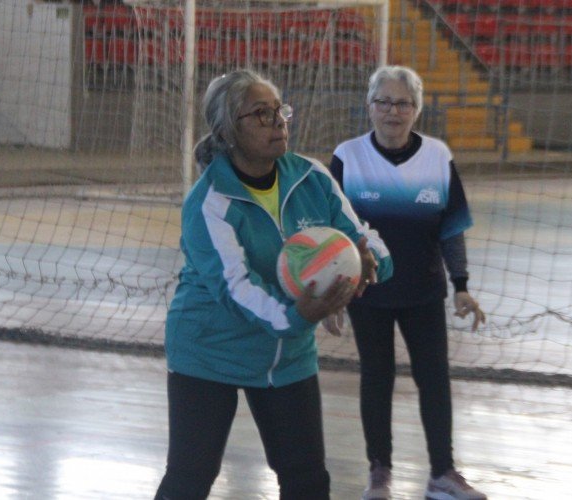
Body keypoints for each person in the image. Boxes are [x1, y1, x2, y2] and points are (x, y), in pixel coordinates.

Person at [154, 69, 393, 500]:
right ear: (228, 131)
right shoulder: (209, 202)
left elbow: (359, 233)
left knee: (306, 480)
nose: (278, 121)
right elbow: (236, 288)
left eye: (279, 110)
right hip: (210, 351)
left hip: (287, 356)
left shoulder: (311, 176)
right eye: (260, 114)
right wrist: (298, 315)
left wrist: (373, 259)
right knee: (190, 478)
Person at [328, 65, 488, 500]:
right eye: (384, 102)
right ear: (369, 107)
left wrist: (462, 285)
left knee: (433, 377)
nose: (392, 112)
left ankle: (443, 472)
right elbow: (333, 232)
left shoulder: (438, 156)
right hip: (369, 291)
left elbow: (451, 229)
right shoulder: (347, 156)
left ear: (416, 110)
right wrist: (335, 292)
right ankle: (379, 472)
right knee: (376, 376)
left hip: (423, 290)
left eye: (402, 103)